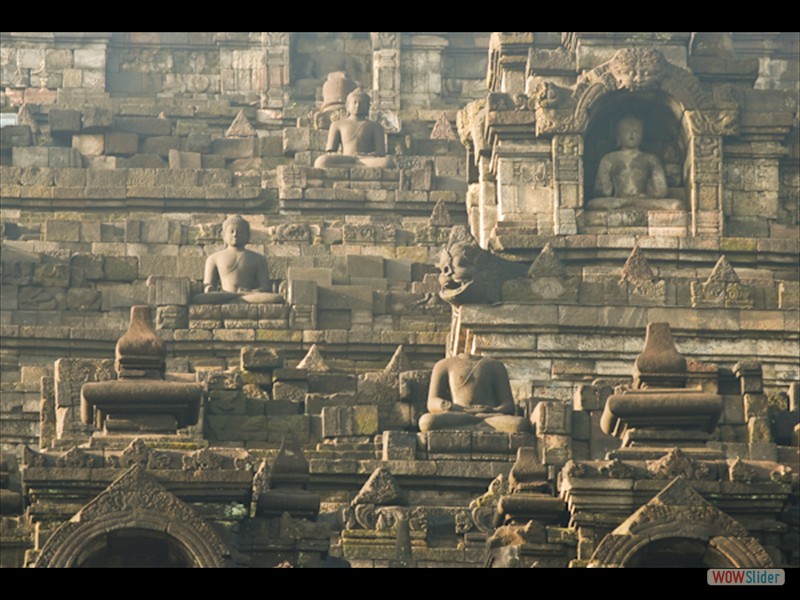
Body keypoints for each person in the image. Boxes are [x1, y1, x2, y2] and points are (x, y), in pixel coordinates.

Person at [418, 353, 529, 433]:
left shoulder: (495, 365)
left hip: (487, 416)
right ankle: (475, 423)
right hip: (458, 414)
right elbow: (432, 402)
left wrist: (492, 410)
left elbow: (508, 405)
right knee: (427, 421)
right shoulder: (443, 365)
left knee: (520, 424)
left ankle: (475, 422)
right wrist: (448, 406)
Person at [590, 116, 681, 210]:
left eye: (636, 131)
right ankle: (626, 204)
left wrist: (648, 195)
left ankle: (629, 205)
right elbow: (602, 191)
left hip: (643, 200)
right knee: (595, 204)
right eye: (626, 131)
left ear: (642, 136)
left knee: (677, 205)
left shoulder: (650, 159)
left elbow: (661, 191)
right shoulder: (609, 159)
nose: (632, 135)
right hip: (618, 201)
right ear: (618, 136)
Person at [193, 215, 283, 304]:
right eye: (231, 231)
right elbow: (208, 286)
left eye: (240, 232)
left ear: (247, 236)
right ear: (223, 235)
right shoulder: (213, 258)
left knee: (275, 298)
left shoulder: (258, 258)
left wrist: (251, 291)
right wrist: (209, 289)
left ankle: (237, 297)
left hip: (248, 295)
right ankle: (236, 297)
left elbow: (265, 287)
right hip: (224, 295)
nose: (235, 234)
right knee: (200, 298)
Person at [313, 88, 396, 169]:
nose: (358, 105)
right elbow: (331, 152)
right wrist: (342, 156)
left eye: (362, 103)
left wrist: (367, 155)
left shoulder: (376, 126)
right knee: (321, 161)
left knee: (388, 162)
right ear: (348, 106)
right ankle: (354, 165)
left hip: (366, 160)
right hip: (346, 159)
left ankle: (353, 165)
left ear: (368, 107)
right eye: (354, 102)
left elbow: (380, 153)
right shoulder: (336, 125)